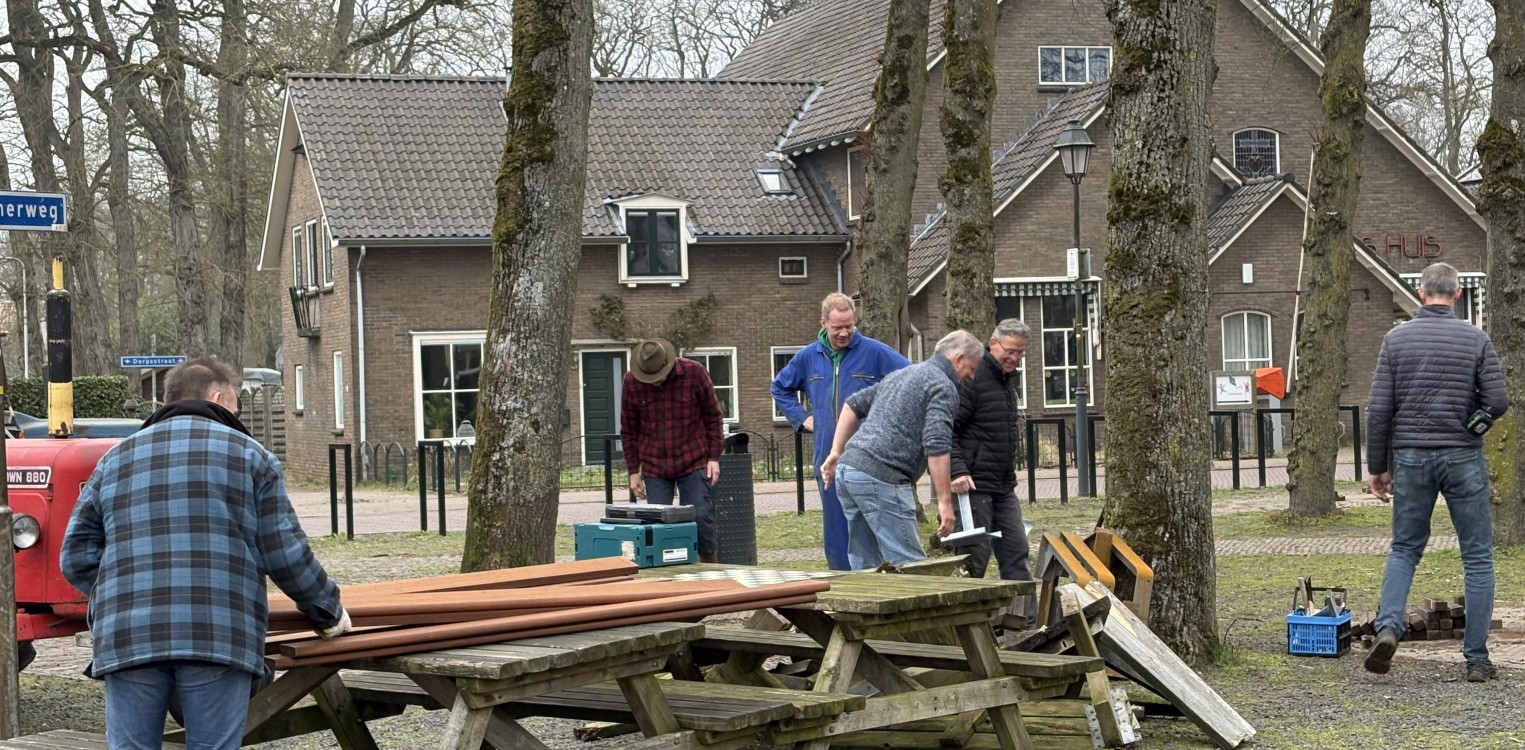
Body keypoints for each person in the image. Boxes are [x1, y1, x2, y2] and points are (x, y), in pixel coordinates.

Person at [60, 359, 349, 750]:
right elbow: (284, 553)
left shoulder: (114, 460)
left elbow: (75, 555)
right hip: (217, 632)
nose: (237, 414)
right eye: (236, 405)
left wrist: (125, 592)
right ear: (217, 398)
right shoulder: (252, 457)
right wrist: (327, 611)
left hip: (127, 637)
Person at [1363, 262, 1508, 682]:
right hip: (1463, 457)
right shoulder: (1476, 339)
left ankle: (1388, 628)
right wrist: (1474, 425)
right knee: (1477, 557)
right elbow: (1497, 400)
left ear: (1421, 294)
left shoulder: (1395, 340)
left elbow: (1379, 412)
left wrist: (1377, 468)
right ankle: (1477, 659)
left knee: (1405, 549)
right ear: (1457, 295)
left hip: (1411, 458)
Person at [820, 330, 983, 569]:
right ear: (958, 359)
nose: (971, 376)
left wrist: (836, 451)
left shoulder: (902, 374)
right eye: (972, 368)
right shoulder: (943, 386)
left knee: (865, 563)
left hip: (849, 470)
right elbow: (937, 444)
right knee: (909, 564)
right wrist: (945, 503)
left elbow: (852, 404)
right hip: (882, 475)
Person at [771, 293, 909, 569]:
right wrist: (802, 418)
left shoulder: (874, 352)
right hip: (827, 457)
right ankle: (842, 583)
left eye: (849, 326)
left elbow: (910, 380)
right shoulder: (809, 357)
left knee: (873, 525)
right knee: (837, 530)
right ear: (823, 323)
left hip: (869, 457)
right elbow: (780, 388)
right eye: (837, 327)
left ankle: (883, 579)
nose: (844, 333)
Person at [621, 338, 725, 563]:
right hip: (655, 466)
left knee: (702, 521)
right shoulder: (631, 382)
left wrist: (714, 457)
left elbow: (713, 416)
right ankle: (667, 578)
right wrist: (633, 471)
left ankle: (711, 576)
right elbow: (629, 429)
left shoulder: (694, 373)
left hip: (694, 460)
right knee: (658, 530)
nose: (654, 382)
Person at [949, 319, 1034, 591]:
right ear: (993, 343)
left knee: (1017, 551)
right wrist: (958, 470)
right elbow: (946, 430)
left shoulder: (1007, 380)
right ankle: (968, 627)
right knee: (973, 558)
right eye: (1010, 351)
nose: (1014, 358)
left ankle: (1025, 622)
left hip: (1002, 485)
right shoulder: (972, 377)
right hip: (972, 486)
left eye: (1020, 353)